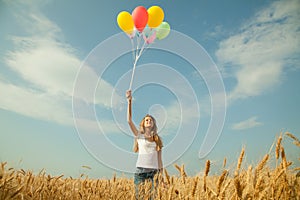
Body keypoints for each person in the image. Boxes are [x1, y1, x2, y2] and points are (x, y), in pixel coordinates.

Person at [126, 90, 163, 199]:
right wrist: (129, 101)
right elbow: (129, 120)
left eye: (150, 120)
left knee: (153, 198)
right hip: (140, 171)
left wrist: (162, 177)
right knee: (139, 197)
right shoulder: (139, 136)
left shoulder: (157, 139)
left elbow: (160, 160)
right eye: (146, 120)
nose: (148, 121)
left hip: (154, 172)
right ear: (143, 123)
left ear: (153, 124)